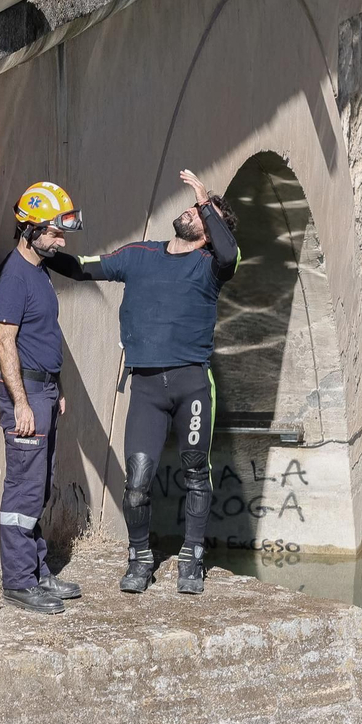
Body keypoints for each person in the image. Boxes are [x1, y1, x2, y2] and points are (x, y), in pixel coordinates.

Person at [45, 169, 239, 595]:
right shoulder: (140, 254)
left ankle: (192, 557)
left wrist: (207, 202)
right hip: (147, 388)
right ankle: (140, 558)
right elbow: (82, 268)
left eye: (201, 215)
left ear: (209, 234)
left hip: (192, 385)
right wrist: (37, 248)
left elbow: (231, 254)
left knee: (194, 471)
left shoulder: (211, 267)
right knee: (136, 481)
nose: (191, 211)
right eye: (191, 208)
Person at [0, 182, 87, 614]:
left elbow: (44, 336)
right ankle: (17, 582)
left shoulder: (39, 271)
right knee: (23, 493)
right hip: (25, 393)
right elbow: (5, 343)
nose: (61, 241)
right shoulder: (14, 277)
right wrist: (22, 403)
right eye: (54, 232)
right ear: (29, 229)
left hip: (44, 389)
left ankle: (37, 571)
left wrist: (58, 386)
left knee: (41, 486)